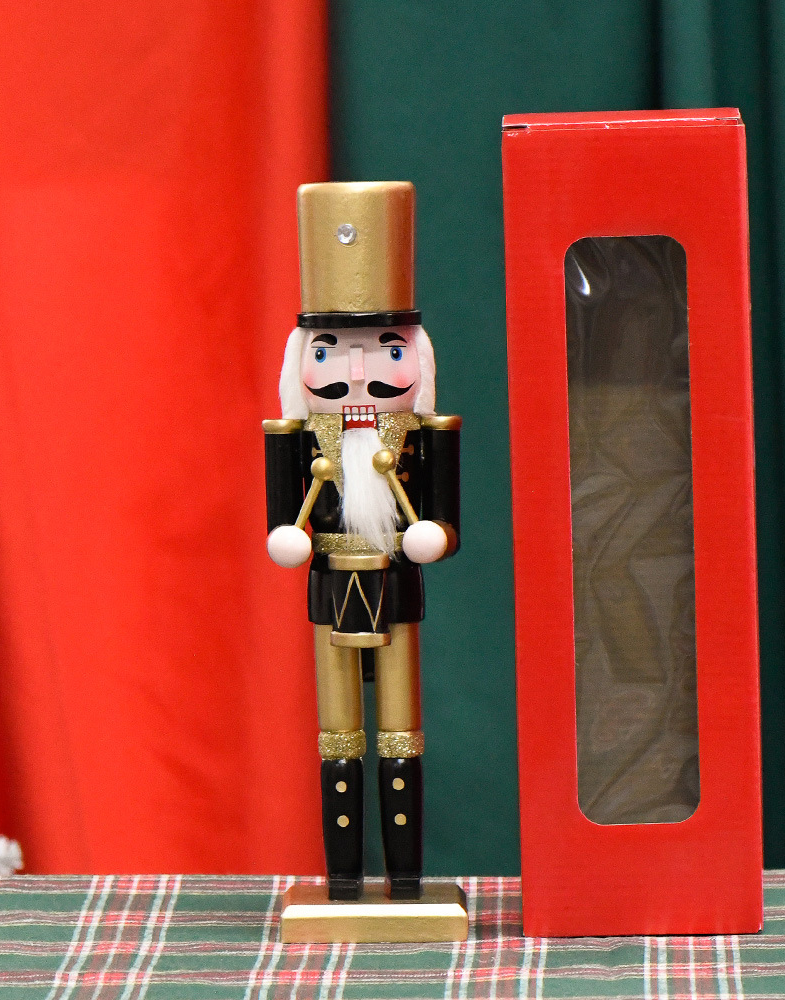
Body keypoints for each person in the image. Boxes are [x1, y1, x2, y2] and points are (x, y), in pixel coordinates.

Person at [263, 182, 460, 901]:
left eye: (384, 350)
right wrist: (286, 538)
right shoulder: (295, 437)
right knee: (338, 733)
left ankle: (405, 882)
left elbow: (446, 518)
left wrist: (435, 535)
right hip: (330, 583)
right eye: (329, 351)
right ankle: (343, 882)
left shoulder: (424, 435)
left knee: (400, 732)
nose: (356, 374)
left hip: (395, 584)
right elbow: (281, 519)